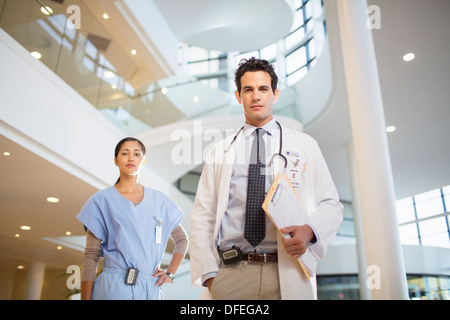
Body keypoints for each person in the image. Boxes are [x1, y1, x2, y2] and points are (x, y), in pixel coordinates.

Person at [190, 58, 343, 300]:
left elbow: (331, 204)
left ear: (275, 93)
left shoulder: (304, 145)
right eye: (248, 90)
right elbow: (203, 215)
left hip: (287, 272)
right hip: (231, 273)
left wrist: (309, 231)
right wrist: (210, 276)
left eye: (263, 89)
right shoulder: (220, 152)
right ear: (239, 97)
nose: (256, 96)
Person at [77, 137, 189, 300]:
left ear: (143, 161)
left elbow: (182, 239)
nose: (131, 158)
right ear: (116, 161)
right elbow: (91, 255)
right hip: (113, 287)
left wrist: (170, 273)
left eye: (137, 154)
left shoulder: (160, 201)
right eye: (125, 153)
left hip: (150, 287)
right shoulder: (101, 200)